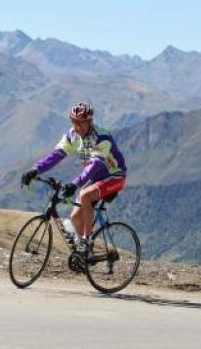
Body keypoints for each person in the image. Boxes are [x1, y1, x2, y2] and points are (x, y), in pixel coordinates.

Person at [20, 102, 127, 252]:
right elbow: (55, 156)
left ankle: (87, 241)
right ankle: (85, 253)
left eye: (81, 123)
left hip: (115, 176)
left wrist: (75, 184)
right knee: (75, 216)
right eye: (74, 123)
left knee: (85, 196)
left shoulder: (102, 138)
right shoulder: (72, 136)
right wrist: (35, 170)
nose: (77, 127)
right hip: (96, 178)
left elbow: (94, 165)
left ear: (89, 121)